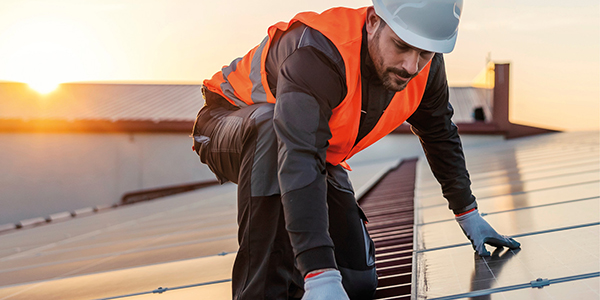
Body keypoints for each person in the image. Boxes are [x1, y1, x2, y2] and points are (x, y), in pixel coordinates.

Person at [191, 1, 521, 299]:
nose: (410, 65)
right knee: (272, 130)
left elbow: (439, 133)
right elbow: (299, 157)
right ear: (374, 21)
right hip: (228, 125)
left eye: (424, 53)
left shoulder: (426, 67)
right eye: (402, 46)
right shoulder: (320, 53)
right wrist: (318, 273)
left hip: (310, 146)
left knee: (356, 282)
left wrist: (469, 214)